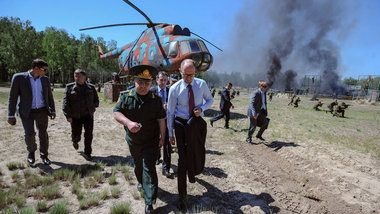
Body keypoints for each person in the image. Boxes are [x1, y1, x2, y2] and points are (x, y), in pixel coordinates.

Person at [113, 65, 166, 214]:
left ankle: (149, 202)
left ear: (151, 84)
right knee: (138, 165)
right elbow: (116, 113)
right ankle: (141, 182)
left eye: (147, 83)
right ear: (135, 81)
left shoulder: (156, 100)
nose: (143, 86)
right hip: (133, 140)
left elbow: (161, 119)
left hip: (151, 140)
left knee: (149, 167)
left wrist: (163, 136)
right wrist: (128, 123)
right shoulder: (125, 96)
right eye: (140, 82)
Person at [167, 59, 213, 210]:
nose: (189, 78)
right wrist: (170, 133)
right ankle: (182, 196)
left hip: (195, 122)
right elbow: (170, 112)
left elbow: (210, 100)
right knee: (182, 159)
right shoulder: (174, 89)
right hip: (180, 124)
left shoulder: (201, 84)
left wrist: (202, 108)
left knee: (195, 152)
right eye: (186, 75)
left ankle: (192, 173)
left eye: (192, 74)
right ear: (180, 72)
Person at [7, 59, 56, 165]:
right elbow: (13, 97)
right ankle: (31, 153)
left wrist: (52, 110)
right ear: (36, 68)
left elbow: (49, 96)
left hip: (42, 111)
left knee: (43, 134)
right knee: (29, 134)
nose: (46, 72)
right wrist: (10, 115)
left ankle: (44, 155)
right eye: (45, 70)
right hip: (26, 112)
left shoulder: (45, 79)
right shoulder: (19, 78)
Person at [63, 69, 99, 161]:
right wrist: (68, 115)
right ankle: (75, 141)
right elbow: (65, 103)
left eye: (79, 76)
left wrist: (93, 107)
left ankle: (87, 153)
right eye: (75, 76)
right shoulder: (69, 87)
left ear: (84, 77)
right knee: (76, 134)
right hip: (75, 116)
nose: (77, 78)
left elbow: (96, 100)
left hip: (88, 115)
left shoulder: (91, 87)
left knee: (89, 134)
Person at [149, 71, 173, 178]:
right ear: (157, 80)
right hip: (155, 122)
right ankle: (156, 158)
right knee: (155, 142)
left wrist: (170, 107)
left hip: (167, 122)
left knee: (167, 145)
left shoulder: (171, 91)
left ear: (167, 80)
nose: (163, 82)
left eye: (165, 80)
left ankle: (166, 167)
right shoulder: (151, 92)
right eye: (161, 79)